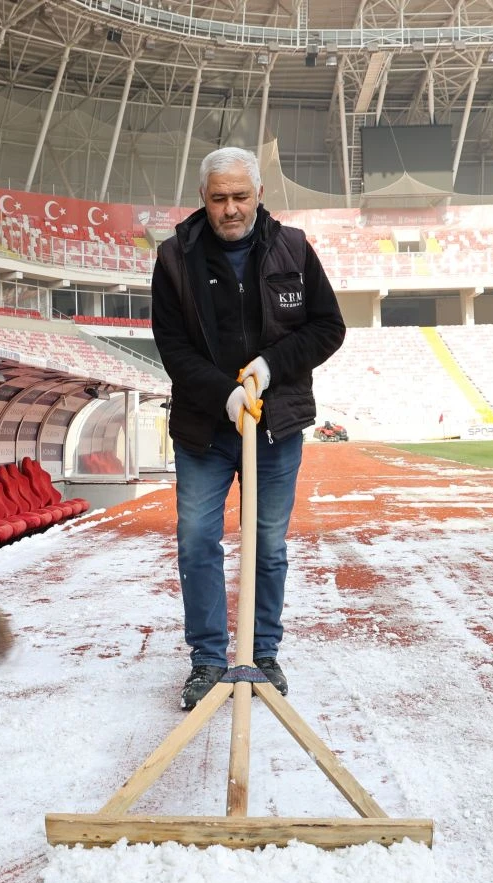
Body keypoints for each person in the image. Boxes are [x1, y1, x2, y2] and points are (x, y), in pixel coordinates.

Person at [151, 146, 346, 710]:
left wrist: (269, 366)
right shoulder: (173, 259)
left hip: (275, 427)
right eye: (219, 198)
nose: (230, 209)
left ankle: (262, 653)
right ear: (203, 200)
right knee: (195, 541)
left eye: (240, 196)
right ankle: (208, 661)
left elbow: (328, 327)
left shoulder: (293, 248)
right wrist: (226, 395)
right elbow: (174, 347)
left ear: (259, 195)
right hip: (203, 431)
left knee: (268, 544)